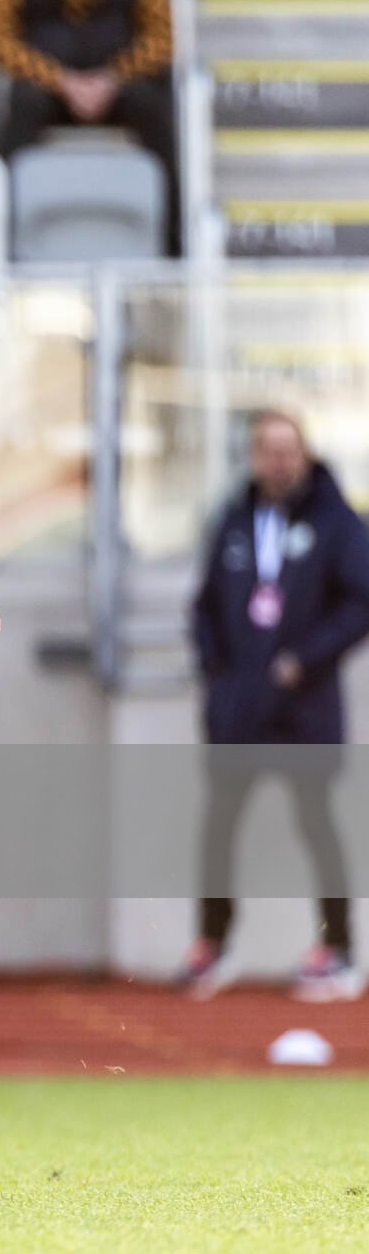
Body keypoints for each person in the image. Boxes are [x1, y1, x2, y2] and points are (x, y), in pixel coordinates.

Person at [182, 409, 369, 1003]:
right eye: (267, 449)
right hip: (239, 709)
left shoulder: (338, 523)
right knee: (220, 825)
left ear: (305, 453)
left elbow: (360, 605)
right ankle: (213, 944)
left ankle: (337, 950)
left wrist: (301, 662)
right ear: (254, 455)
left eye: (289, 449)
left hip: (305, 709)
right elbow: (205, 605)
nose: (279, 460)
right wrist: (218, 673)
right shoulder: (235, 520)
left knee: (316, 823)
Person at [0, 0, 177, 245]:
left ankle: (175, 239)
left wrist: (113, 78)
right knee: (20, 108)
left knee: (153, 108)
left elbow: (162, 37)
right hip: (44, 84)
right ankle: (6, 242)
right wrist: (61, 81)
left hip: (119, 83)